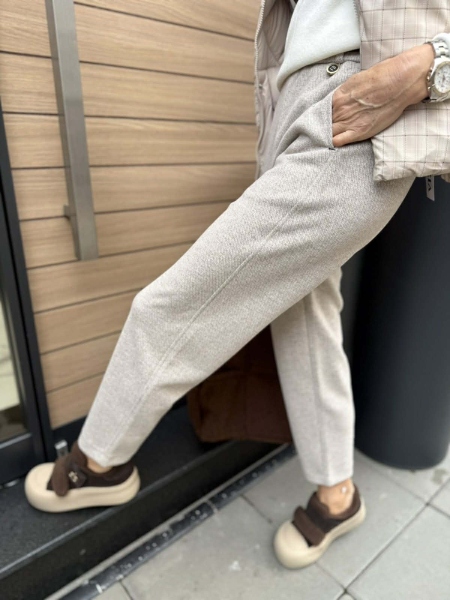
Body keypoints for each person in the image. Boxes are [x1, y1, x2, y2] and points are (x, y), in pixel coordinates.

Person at [24, 0, 450, 569]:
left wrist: (427, 66)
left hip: (361, 98)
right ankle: (338, 495)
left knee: (169, 308)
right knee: (305, 321)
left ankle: (99, 462)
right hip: (297, 108)